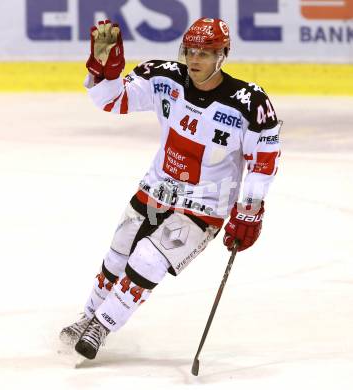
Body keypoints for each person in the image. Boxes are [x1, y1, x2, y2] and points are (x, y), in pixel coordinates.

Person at [60, 17, 281, 360]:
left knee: (149, 259)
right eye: (190, 51)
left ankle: (101, 326)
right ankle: (87, 315)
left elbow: (263, 161)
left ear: (223, 55)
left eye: (205, 53)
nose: (194, 60)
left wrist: (249, 210)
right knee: (118, 253)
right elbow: (111, 100)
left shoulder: (249, 103)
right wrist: (105, 72)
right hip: (156, 189)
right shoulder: (165, 78)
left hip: (205, 204)